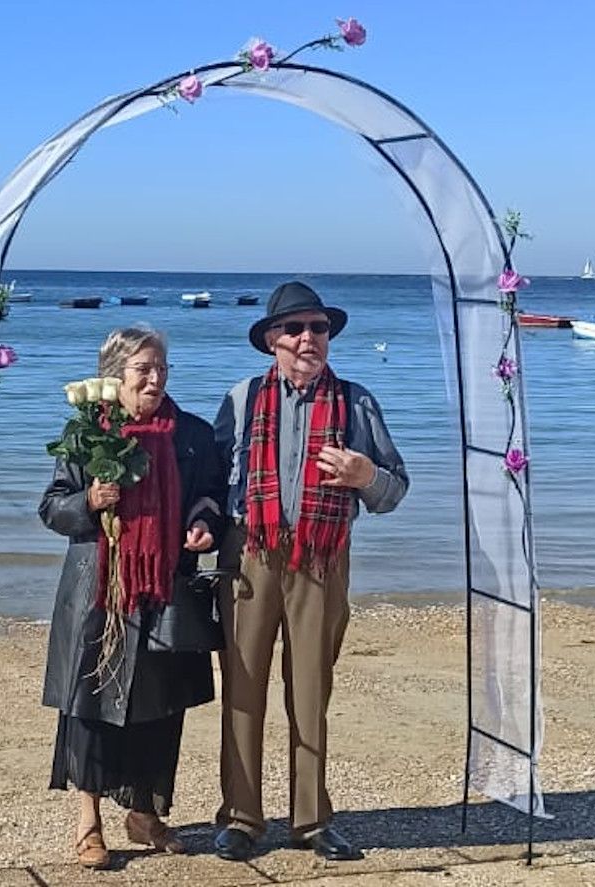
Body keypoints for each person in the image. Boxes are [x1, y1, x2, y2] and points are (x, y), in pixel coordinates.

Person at [212, 281, 409, 862]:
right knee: (243, 688)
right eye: (295, 329)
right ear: (271, 340)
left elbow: (395, 489)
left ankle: (311, 820)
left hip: (322, 561)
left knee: (311, 689)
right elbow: (213, 481)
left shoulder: (356, 402)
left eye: (318, 328)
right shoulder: (242, 398)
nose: (307, 339)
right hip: (250, 554)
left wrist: (363, 475)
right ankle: (242, 819)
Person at [39, 326, 226, 870]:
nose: (155, 377)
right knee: (92, 703)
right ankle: (88, 821)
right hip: (100, 588)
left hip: (165, 584)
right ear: (114, 376)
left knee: (160, 703)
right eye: (143, 368)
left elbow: (211, 494)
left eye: (161, 366)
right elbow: (51, 507)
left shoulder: (188, 434)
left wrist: (203, 523)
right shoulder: (88, 435)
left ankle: (145, 813)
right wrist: (91, 499)